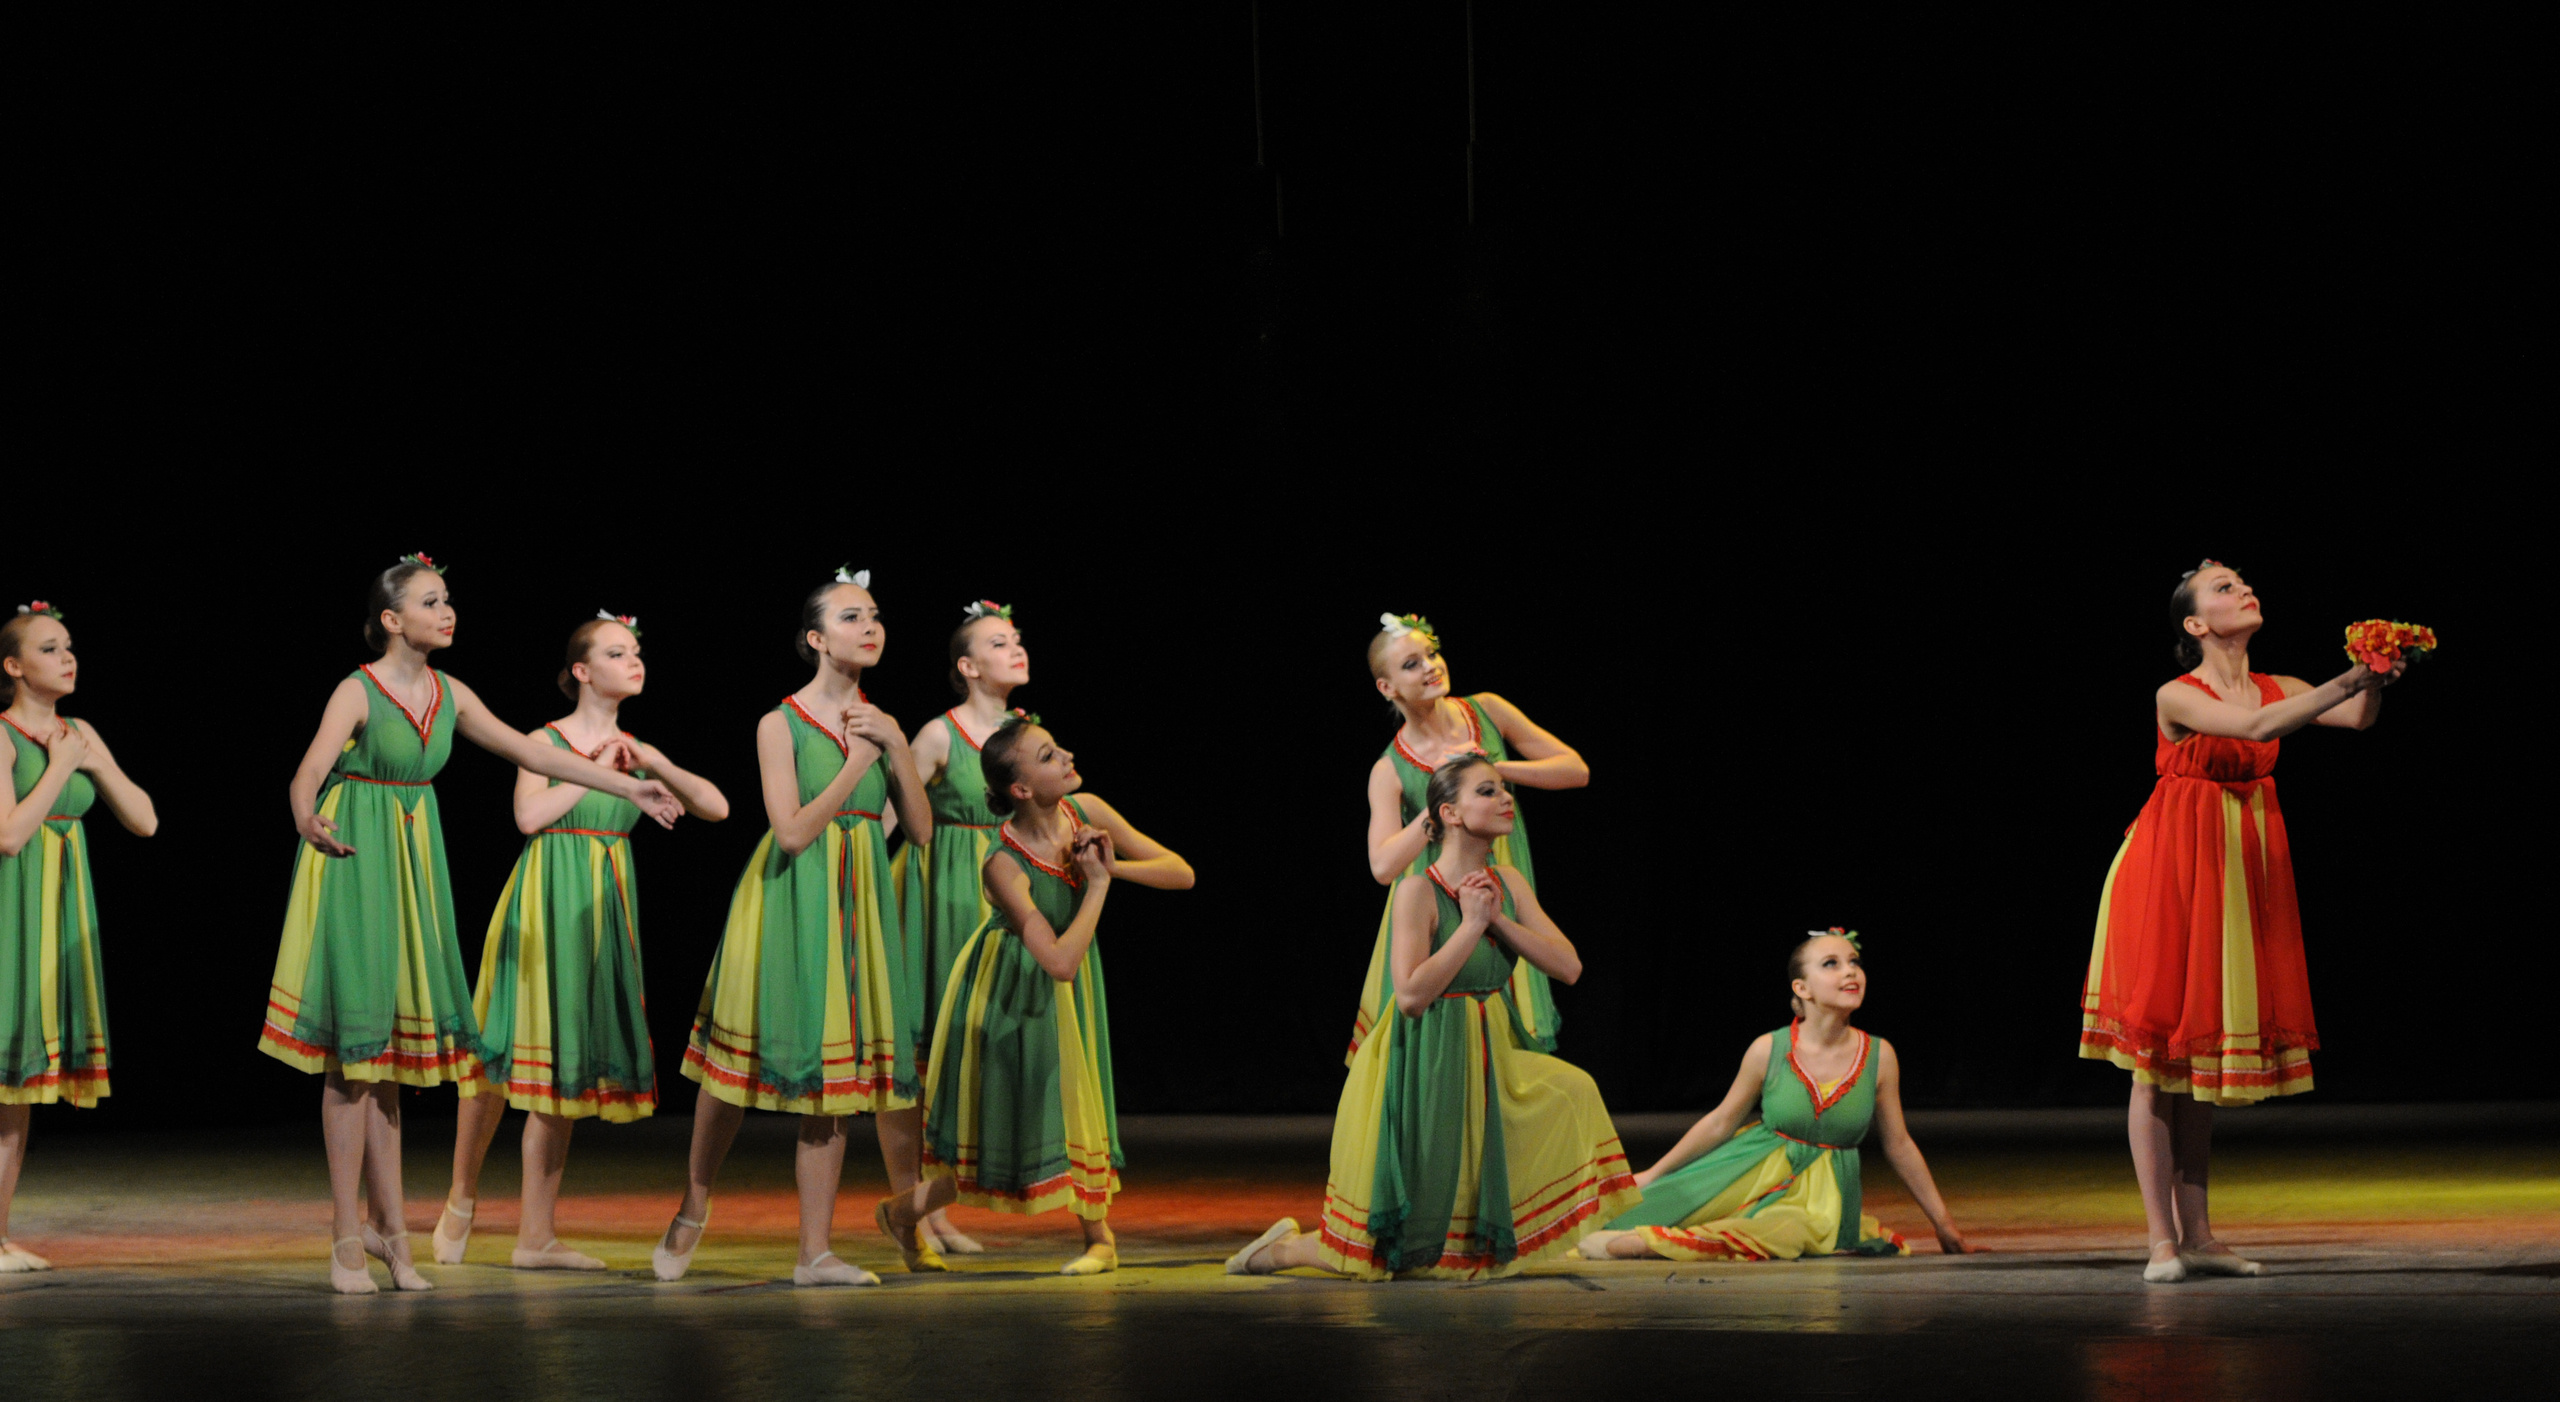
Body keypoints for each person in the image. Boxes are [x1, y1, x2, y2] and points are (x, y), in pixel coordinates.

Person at [262, 556, 683, 1295]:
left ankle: (392, 1236)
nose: (447, 610)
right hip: (354, 855)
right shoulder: (356, 690)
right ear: (392, 620)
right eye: (431, 601)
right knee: (353, 1057)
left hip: (413, 860)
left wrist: (630, 784)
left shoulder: (450, 693)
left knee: (390, 1065)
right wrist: (307, 818)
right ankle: (343, 1238)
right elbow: (306, 773)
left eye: (448, 600)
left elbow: (529, 750)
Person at [2079, 560, 2396, 1283]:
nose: (2242, 589)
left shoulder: (2278, 684)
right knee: (2158, 1062)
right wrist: (2351, 674)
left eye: (2243, 581)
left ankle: (2200, 1236)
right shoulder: (2177, 694)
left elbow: (2353, 716)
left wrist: (2376, 673)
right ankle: (2162, 1242)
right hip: (2170, 873)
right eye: (2223, 588)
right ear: (2195, 625)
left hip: (2237, 867)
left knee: (2202, 1062)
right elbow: (2255, 728)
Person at [1230, 754, 1634, 1280]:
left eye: (1503, 789)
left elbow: (1569, 966)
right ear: (1450, 813)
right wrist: (1469, 927)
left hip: (1487, 1048)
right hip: (1423, 1055)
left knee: (1572, 1090)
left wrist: (1497, 922)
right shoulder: (1416, 891)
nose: (1506, 798)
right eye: (1487, 791)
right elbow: (1411, 996)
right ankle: (1280, 1252)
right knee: (1393, 1251)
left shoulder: (1507, 882)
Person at [653, 568, 933, 1287]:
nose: (869, 626)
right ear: (816, 638)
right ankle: (694, 1200)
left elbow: (923, 833)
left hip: (856, 903)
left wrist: (896, 747)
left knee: (835, 1082)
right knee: (733, 1071)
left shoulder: (885, 723)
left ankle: (814, 1251)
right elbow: (791, 832)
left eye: (874, 614)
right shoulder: (778, 723)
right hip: (786, 900)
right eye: (850, 616)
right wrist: (859, 761)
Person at [436, 613, 729, 1270]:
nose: (635, 661)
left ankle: (535, 1236)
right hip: (543, 905)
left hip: (600, 911)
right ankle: (460, 1196)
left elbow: (717, 808)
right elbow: (528, 816)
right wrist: (593, 771)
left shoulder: (638, 749)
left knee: (559, 1073)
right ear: (581, 671)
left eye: (637, 652)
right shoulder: (545, 739)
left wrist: (650, 762)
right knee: (496, 1060)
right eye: (617, 653)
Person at [886, 718, 1193, 1276]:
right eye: (1050, 755)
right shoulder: (1002, 862)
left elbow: (1181, 872)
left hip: (1068, 984)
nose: (1067, 755)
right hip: (1010, 991)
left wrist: (1112, 867)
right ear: (1021, 790)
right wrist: (1096, 886)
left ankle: (1100, 1238)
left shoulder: (1088, 811)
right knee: (1009, 1127)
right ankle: (903, 1212)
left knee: (1075, 1105)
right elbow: (1056, 961)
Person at [1574, 930, 1971, 1262]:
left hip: (1823, 1201)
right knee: (1635, 1207)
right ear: (1802, 987)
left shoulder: (1880, 1057)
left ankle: (1648, 1246)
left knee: (1786, 1231)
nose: (1850, 971)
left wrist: (1944, 1225)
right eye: (1831, 964)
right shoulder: (1770, 1049)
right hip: (1744, 1172)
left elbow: (1899, 1145)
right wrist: (1652, 1175)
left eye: (1854, 962)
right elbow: (1720, 1122)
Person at [1348, 613, 1585, 1062]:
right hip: (1436, 898)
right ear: (1388, 687)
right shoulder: (1389, 768)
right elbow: (1382, 866)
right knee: (1437, 1012)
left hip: (1496, 878)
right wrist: (1441, 797)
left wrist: (1492, 769)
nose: (1431, 666)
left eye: (1431, 654)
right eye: (1412, 664)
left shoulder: (1486, 710)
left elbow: (1575, 769)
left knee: (1503, 1001)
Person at [1, 602, 158, 1273]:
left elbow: (145, 820)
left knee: (20, 1090)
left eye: (69, 646)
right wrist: (63, 767)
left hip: (58, 911)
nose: (67, 657)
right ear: (13, 667)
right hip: (12, 913)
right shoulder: (3, 738)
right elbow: (8, 836)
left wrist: (92, 762)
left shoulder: (79, 731)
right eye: (48, 648)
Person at [888, 598, 1032, 1255]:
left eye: (1017, 639)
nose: (1016, 649)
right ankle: (919, 1210)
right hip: (941, 898)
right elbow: (893, 817)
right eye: (999, 643)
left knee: (974, 1058)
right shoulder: (940, 735)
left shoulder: (1028, 731)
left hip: (1005, 894)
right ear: (968, 666)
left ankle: (936, 1201)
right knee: (923, 1061)